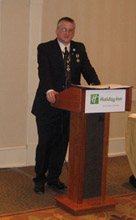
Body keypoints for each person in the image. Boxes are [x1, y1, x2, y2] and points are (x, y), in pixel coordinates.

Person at [31, 17, 100, 194]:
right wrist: (49, 90)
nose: (67, 33)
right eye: (64, 29)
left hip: (70, 106)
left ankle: (54, 178)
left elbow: (88, 70)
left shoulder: (79, 48)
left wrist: (98, 87)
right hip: (49, 104)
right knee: (45, 142)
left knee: (62, 144)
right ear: (57, 31)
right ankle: (39, 178)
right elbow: (44, 72)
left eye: (70, 30)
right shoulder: (45, 48)